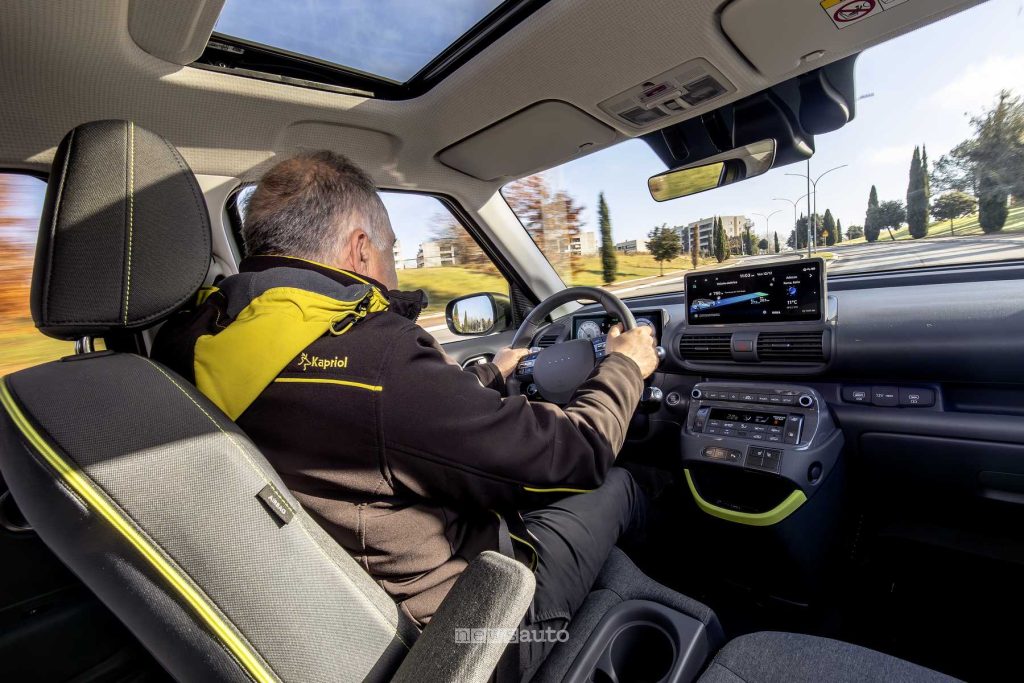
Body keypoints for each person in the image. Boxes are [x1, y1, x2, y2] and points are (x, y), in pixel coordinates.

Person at [152, 150, 659, 678]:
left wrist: (486, 379)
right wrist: (624, 366)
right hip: (472, 629)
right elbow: (576, 455)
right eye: (392, 251)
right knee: (617, 484)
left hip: (350, 613)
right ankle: (661, 592)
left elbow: (375, 421)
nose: (393, 269)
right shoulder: (375, 352)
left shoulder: (193, 338)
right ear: (361, 249)